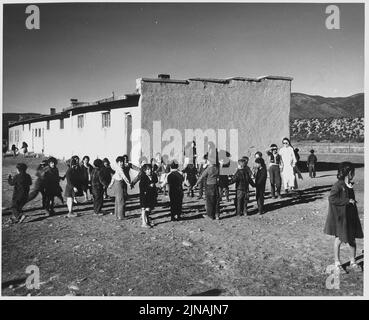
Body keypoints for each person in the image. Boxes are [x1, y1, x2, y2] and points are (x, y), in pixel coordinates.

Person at [323, 162, 363, 272]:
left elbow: (350, 198)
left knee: (352, 240)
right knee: (339, 239)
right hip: (341, 218)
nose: (354, 174)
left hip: (350, 217)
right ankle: (337, 262)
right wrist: (347, 201)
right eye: (353, 172)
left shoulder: (349, 184)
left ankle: (353, 261)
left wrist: (352, 201)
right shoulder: (338, 185)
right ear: (349, 173)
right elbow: (332, 199)